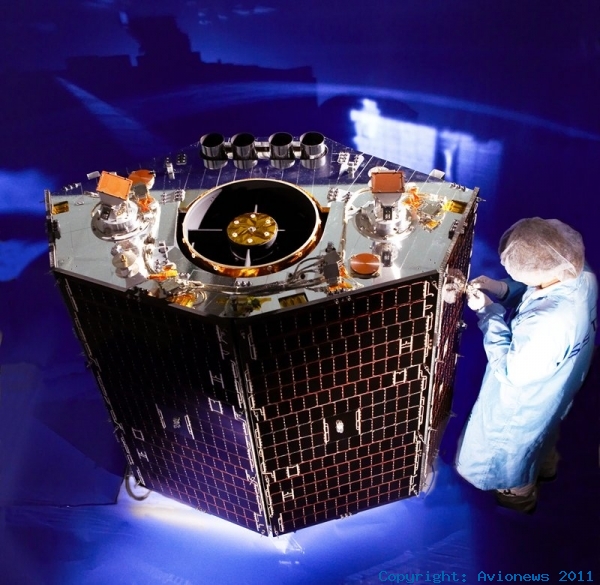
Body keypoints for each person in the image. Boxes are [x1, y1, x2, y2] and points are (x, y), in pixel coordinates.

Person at [455, 217, 598, 512]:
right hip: (556, 388)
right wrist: (501, 289)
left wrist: (488, 313)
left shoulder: (548, 323)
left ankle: (518, 495)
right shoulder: (579, 273)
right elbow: (541, 290)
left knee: (511, 456)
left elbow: (511, 372)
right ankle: (546, 467)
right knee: (544, 432)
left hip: (523, 404)